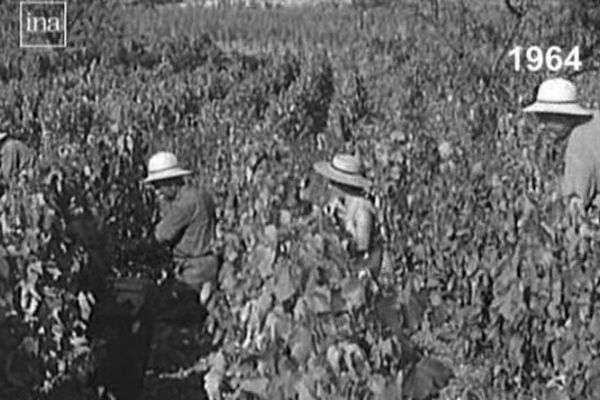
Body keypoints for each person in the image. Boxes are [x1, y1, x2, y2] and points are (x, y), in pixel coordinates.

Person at [143, 151, 219, 306]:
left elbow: (161, 235)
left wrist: (138, 248)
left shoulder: (184, 204)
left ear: (170, 182)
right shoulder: (201, 194)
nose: (157, 192)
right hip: (209, 265)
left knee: (165, 313)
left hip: (193, 271)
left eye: (158, 186)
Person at [523, 77, 600, 213]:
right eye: (541, 116)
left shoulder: (579, 140)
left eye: (547, 117)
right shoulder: (594, 120)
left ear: (565, 115)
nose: (543, 124)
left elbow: (575, 205)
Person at [313, 153, 382, 278]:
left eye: (332, 182)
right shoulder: (340, 202)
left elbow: (362, 255)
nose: (329, 185)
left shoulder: (362, 211)